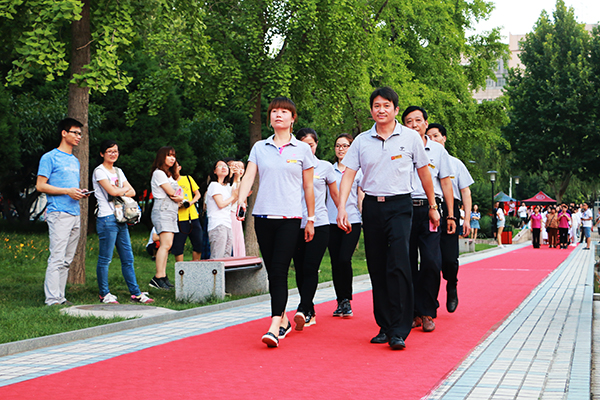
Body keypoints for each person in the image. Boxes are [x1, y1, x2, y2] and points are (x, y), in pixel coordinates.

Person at [337, 88, 435, 350]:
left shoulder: (410, 138)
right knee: (377, 266)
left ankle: (400, 329)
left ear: (395, 109)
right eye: (377, 106)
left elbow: (424, 173)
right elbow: (348, 175)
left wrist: (433, 205)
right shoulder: (361, 141)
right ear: (371, 110)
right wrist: (342, 208)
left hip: (401, 206)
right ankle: (385, 325)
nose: (381, 110)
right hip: (372, 206)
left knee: (399, 264)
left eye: (386, 105)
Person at [237, 96, 315, 348]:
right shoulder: (260, 147)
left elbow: (308, 187)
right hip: (262, 217)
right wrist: (241, 200)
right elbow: (249, 176)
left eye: (284, 111)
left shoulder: (302, 149)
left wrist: (311, 218)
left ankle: (273, 326)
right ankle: (283, 319)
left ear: (293, 118)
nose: (278, 115)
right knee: (273, 272)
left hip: (290, 219)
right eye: (274, 111)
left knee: (280, 270)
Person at [402, 108, 455, 333]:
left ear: (426, 123)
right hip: (404, 210)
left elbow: (446, 183)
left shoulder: (438, 150)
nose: (414, 125)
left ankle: (427, 311)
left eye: (418, 120)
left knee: (432, 262)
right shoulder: (399, 148)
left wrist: (450, 214)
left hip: (430, 210)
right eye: (409, 121)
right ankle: (412, 312)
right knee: (406, 263)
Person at [36, 118, 90, 306]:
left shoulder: (75, 161)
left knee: (67, 260)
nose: (79, 137)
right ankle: (52, 299)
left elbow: (69, 187)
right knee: (57, 258)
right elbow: (40, 185)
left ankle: (60, 297)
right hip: (58, 213)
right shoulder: (49, 157)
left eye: (80, 134)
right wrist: (67, 191)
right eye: (75, 132)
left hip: (75, 213)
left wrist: (79, 193)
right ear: (64, 133)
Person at [92, 140, 154, 304]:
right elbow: (111, 191)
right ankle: (104, 294)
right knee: (105, 259)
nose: (113, 154)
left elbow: (132, 191)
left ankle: (136, 293)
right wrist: (121, 190)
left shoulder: (118, 171)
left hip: (121, 218)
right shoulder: (99, 171)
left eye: (116, 151)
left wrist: (119, 190)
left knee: (128, 258)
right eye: (109, 151)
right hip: (107, 218)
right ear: (102, 154)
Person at [292, 128, 339, 330]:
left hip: (319, 223)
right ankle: (309, 309)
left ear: (316, 145)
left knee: (310, 267)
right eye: (303, 145)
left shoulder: (325, 167)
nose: (307, 149)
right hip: (295, 224)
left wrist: (342, 213)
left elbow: (335, 194)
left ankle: (302, 308)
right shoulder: (292, 166)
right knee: (300, 268)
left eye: (310, 145)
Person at [425, 123, 473, 314]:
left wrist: (466, 218)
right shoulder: (422, 160)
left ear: (444, 138)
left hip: (450, 210)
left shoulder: (455, 163)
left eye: (436, 136)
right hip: (430, 207)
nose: (433, 139)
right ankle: (430, 301)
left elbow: (465, 191)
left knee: (450, 260)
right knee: (431, 260)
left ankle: (452, 284)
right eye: (429, 136)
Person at [327, 133, 364, 318]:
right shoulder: (329, 170)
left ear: (351, 148)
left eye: (345, 146)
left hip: (352, 221)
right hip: (331, 221)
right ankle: (340, 300)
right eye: (338, 146)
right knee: (335, 262)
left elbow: (361, 196)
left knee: (344, 259)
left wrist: (364, 217)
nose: (341, 149)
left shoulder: (358, 171)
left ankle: (347, 299)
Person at [149, 146, 184, 290]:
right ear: (162, 157)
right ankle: (158, 277)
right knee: (165, 244)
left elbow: (179, 194)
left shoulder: (169, 175)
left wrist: (179, 197)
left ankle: (162, 276)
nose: (172, 159)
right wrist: (179, 197)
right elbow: (172, 193)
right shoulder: (158, 173)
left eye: (173, 156)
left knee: (167, 245)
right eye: (169, 155)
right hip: (163, 209)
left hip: (171, 211)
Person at [171, 162, 203, 262]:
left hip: (193, 216)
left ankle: (195, 266)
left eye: (175, 167)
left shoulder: (188, 178)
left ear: (180, 168)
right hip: (179, 218)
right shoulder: (169, 182)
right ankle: (181, 269)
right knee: (178, 246)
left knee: (199, 243)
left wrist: (190, 202)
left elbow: (198, 194)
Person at [206, 160, 237, 259]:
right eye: (220, 166)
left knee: (226, 256)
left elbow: (229, 204)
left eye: (226, 166)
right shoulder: (214, 185)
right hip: (218, 224)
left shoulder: (224, 187)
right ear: (214, 171)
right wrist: (233, 196)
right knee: (218, 256)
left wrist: (236, 196)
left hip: (227, 223)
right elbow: (221, 204)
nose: (224, 168)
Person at [228, 160, 246, 257]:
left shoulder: (243, 183)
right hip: (230, 213)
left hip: (237, 215)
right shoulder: (230, 184)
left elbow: (243, 202)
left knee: (238, 237)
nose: (241, 170)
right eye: (238, 167)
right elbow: (232, 200)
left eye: (242, 168)